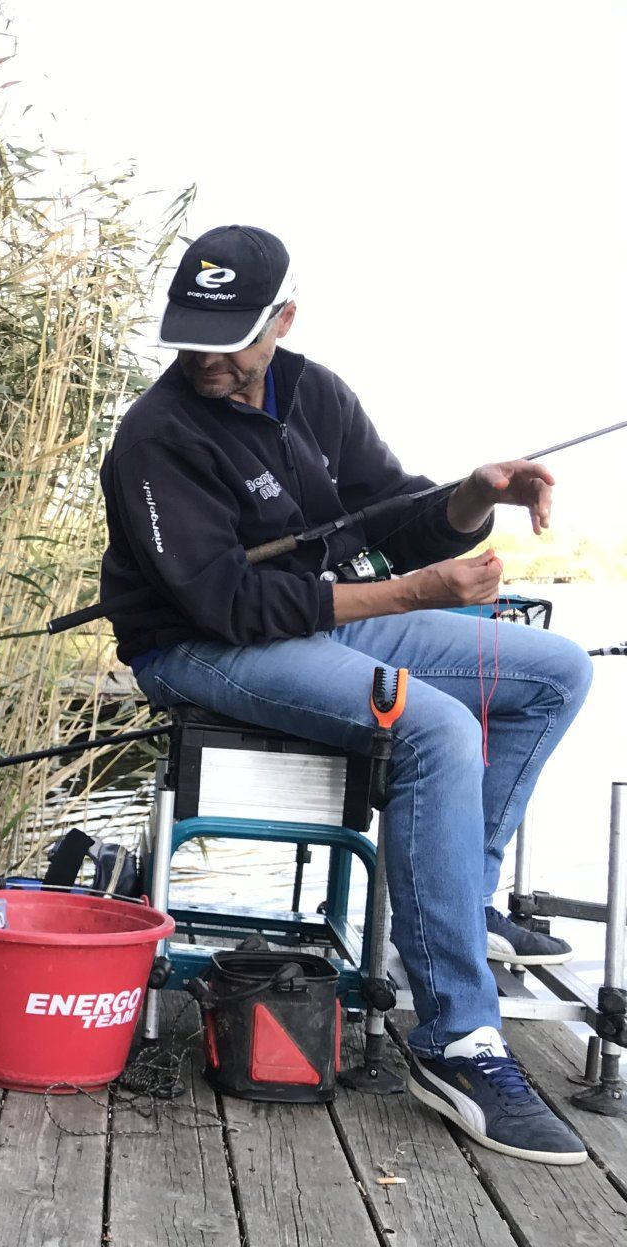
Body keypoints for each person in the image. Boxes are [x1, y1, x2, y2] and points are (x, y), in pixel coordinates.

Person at [99, 224, 594, 1165]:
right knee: (436, 726)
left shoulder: (317, 393)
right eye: (193, 332)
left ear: (282, 318)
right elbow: (229, 603)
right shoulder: (155, 435)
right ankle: (455, 1038)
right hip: (195, 646)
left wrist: (473, 496)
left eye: (233, 332)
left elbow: (401, 519)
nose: (207, 354)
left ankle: (454, 910)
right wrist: (413, 596)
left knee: (554, 670)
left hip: (318, 624)